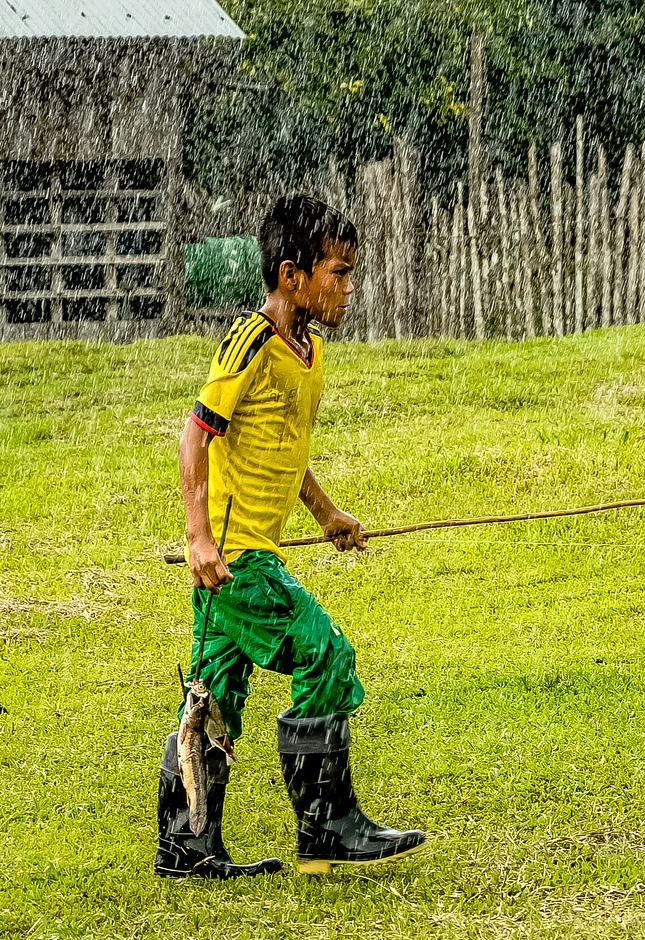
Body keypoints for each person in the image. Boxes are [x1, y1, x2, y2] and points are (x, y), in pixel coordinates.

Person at [154, 195, 426, 878]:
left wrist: (327, 513)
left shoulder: (310, 355)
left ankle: (186, 847)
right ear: (291, 274)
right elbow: (195, 434)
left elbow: (283, 448)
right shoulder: (250, 344)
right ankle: (326, 829)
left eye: (350, 272)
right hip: (236, 560)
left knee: (212, 700)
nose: (348, 286)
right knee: (326, 653)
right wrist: (198, 537)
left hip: (248, 556)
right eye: (337, 272)